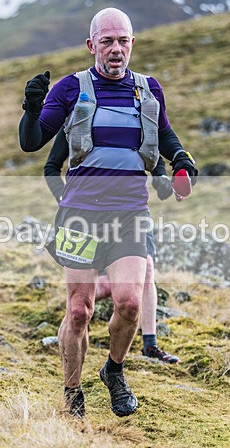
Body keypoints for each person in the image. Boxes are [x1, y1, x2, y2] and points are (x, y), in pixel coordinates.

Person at [19, 7, 198, 419]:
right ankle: (71, 390)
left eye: (123, 41)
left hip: (131, 213)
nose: (115, 50)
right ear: (91, 45)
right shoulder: (70, 88)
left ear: (132, 43)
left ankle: (114, 370)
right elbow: (32, 143)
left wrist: (182, 159)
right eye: (106, 42)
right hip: (80, 215)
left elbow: (165, 134)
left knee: (131, 302)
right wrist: (31, 109)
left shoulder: (148, 90)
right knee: (79, 309)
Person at [44, 128, 180, 364]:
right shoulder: (76, 122)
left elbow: (152, 155)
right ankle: (73, 320)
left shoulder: (134, 114)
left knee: (147, 268)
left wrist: (162, 179)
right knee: (96, 294)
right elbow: (51, 168)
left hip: (130, 214)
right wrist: (66, 200)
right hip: (85, 217)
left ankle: (150, 344)